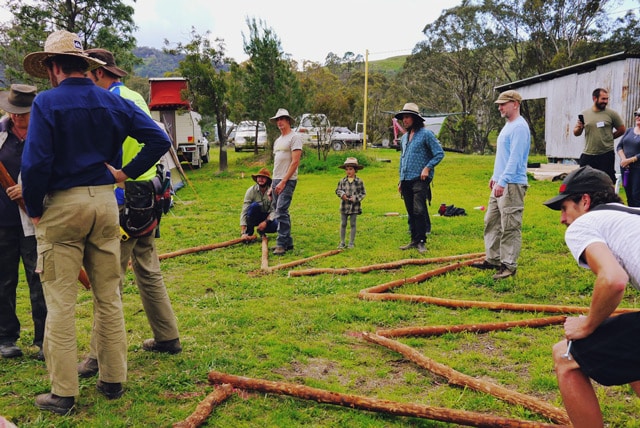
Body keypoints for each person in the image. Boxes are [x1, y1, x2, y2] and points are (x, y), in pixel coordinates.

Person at [21, 30, 171, 415]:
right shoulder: (111, 100)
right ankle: (113, 379)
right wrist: (123, 174)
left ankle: (64, 392)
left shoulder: (46, 104)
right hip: (105, 204)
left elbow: (35, 163)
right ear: (86, 66)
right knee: (109, 296)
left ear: (52, 67)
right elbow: (158, 138)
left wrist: (34, 208)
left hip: (62, 207)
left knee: (61, 303)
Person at [73, 48, 181, 380]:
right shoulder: (133, 94)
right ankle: (167, 335)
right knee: (148, 268)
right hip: (148, 194)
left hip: (125, 196)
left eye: (88, 74)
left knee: (108, 278)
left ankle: (96, 355)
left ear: (99, 74)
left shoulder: (110, 102)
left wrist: (121, 174)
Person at [543, 165, 640, 428]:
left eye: (564, 208)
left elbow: (613, 279)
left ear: (584, 201)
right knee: (628, 347)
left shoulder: (585, 223)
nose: (563, 219)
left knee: (565, 355)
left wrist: (587, 325)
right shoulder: (633, 216)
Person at [0, 84, 47, 361]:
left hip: (35, 218)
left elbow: (54, 170)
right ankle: (6, 337)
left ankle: (43, 339)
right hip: (3, 220)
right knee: (4, 280)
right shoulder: (1, 132)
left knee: (38, 278)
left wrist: (27, 188)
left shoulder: (45, 134)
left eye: (24, 113)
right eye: (14, 113)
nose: (18, 118)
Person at [471, 90, 530, 280]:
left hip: (512, 184)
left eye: (503, 104)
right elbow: (503, 156)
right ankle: (493, 259)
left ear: (515, 104)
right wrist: (495, 177)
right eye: (499, 104)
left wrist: (503, 181)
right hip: (501, 181)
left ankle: (508, 265)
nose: (500, 107)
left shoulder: (520, 127)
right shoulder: (508, 126)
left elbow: (515, 158)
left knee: (510, 225)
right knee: (491, 220)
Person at [396, 102, 445, 254]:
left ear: (415, 119)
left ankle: (422, 241)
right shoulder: (404, 138)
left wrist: (427, 167)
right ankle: (414, 239)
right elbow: (403, 159)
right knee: (410, 210)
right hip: (406, 178)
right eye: (403, 118)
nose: (405, 120)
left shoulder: (426, 134)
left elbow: (439, 153)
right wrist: (400, 179)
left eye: (408, 117)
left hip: (420, 178)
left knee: (419, 209)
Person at [573, 88, 626, 184]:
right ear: (594, 98)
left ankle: (607, 199)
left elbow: (622, 129)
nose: (605, 102)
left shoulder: (612, 114)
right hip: (588, 153)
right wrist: (579, 128)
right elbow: (576, 133)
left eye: (607, 99)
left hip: (605, 154)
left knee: (606, 182)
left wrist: (609, 138)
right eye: (603, 99)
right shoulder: (584, 114)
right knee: (584, 181)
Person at [269, 108, 303, 255]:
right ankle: (288, 242)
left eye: (282, 119)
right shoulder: (278, 140)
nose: (279, 122)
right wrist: (272, 184)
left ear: (288, 120)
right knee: (279, 211)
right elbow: (276, 163)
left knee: (281, 210)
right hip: (276, 179)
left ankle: (281, 243)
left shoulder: (294, 138)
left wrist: (283, 181)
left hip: (288, 180)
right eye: (277, 120)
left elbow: (295, 162)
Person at [335, 157, 366, 249]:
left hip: (354, 207)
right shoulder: (342, 181)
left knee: (353, 223)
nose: (348, 171)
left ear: (355, 170)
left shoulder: (359, 182)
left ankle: (351, 242)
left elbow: (363, 193)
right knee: (343, 223)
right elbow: (337, 190)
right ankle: (342, 242)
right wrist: (342, 195)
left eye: (351, 169)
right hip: (344, 206)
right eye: (347, 169)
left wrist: (355, 198)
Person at [240, 167, 278, 239]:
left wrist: (266, 222)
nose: (261, 179)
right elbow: (245, 209)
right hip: (254, 216)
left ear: (267, 180)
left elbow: (274, 210)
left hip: (266, 217)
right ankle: (249, 232)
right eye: (259, 177)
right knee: (254, 206)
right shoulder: (251, 191)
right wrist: (243, 229)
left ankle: (261, 231)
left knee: (276, 225)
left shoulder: (272, 192)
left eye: (263, 177)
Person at [616, 107, 640, 207]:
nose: (638, 117)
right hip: (626, 168)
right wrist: (624, 159)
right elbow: (619, 146)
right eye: (636, 114)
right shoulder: (629, 130)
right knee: (629, 194)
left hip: (638, 169)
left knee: (636, 194)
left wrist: (631, 160)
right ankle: (631, 217)